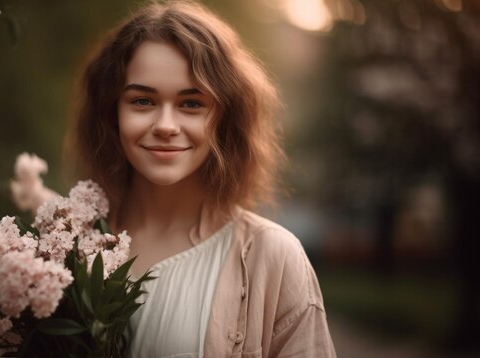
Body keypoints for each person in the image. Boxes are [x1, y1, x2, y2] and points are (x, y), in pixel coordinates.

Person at [71, 1, 336, 356]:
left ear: (226, 117)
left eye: (191, 104)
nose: (165, 126)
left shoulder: (273, 257)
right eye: (143, 101)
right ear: (112, 112)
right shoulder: (67, 249)